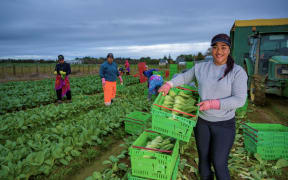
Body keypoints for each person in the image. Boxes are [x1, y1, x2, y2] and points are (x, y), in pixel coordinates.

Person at [158, 34, 247, 180]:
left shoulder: (237, 72)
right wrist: (169, 84)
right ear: (211, 50)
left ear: (229, 50)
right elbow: (185, 77)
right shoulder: (201, 67)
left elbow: (239, 100)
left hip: (224, 124)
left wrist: (213, 103)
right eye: (215, 47)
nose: (219, 51)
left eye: (223, 47)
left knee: (219, 163)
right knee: (204, 161)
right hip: (202, 123)